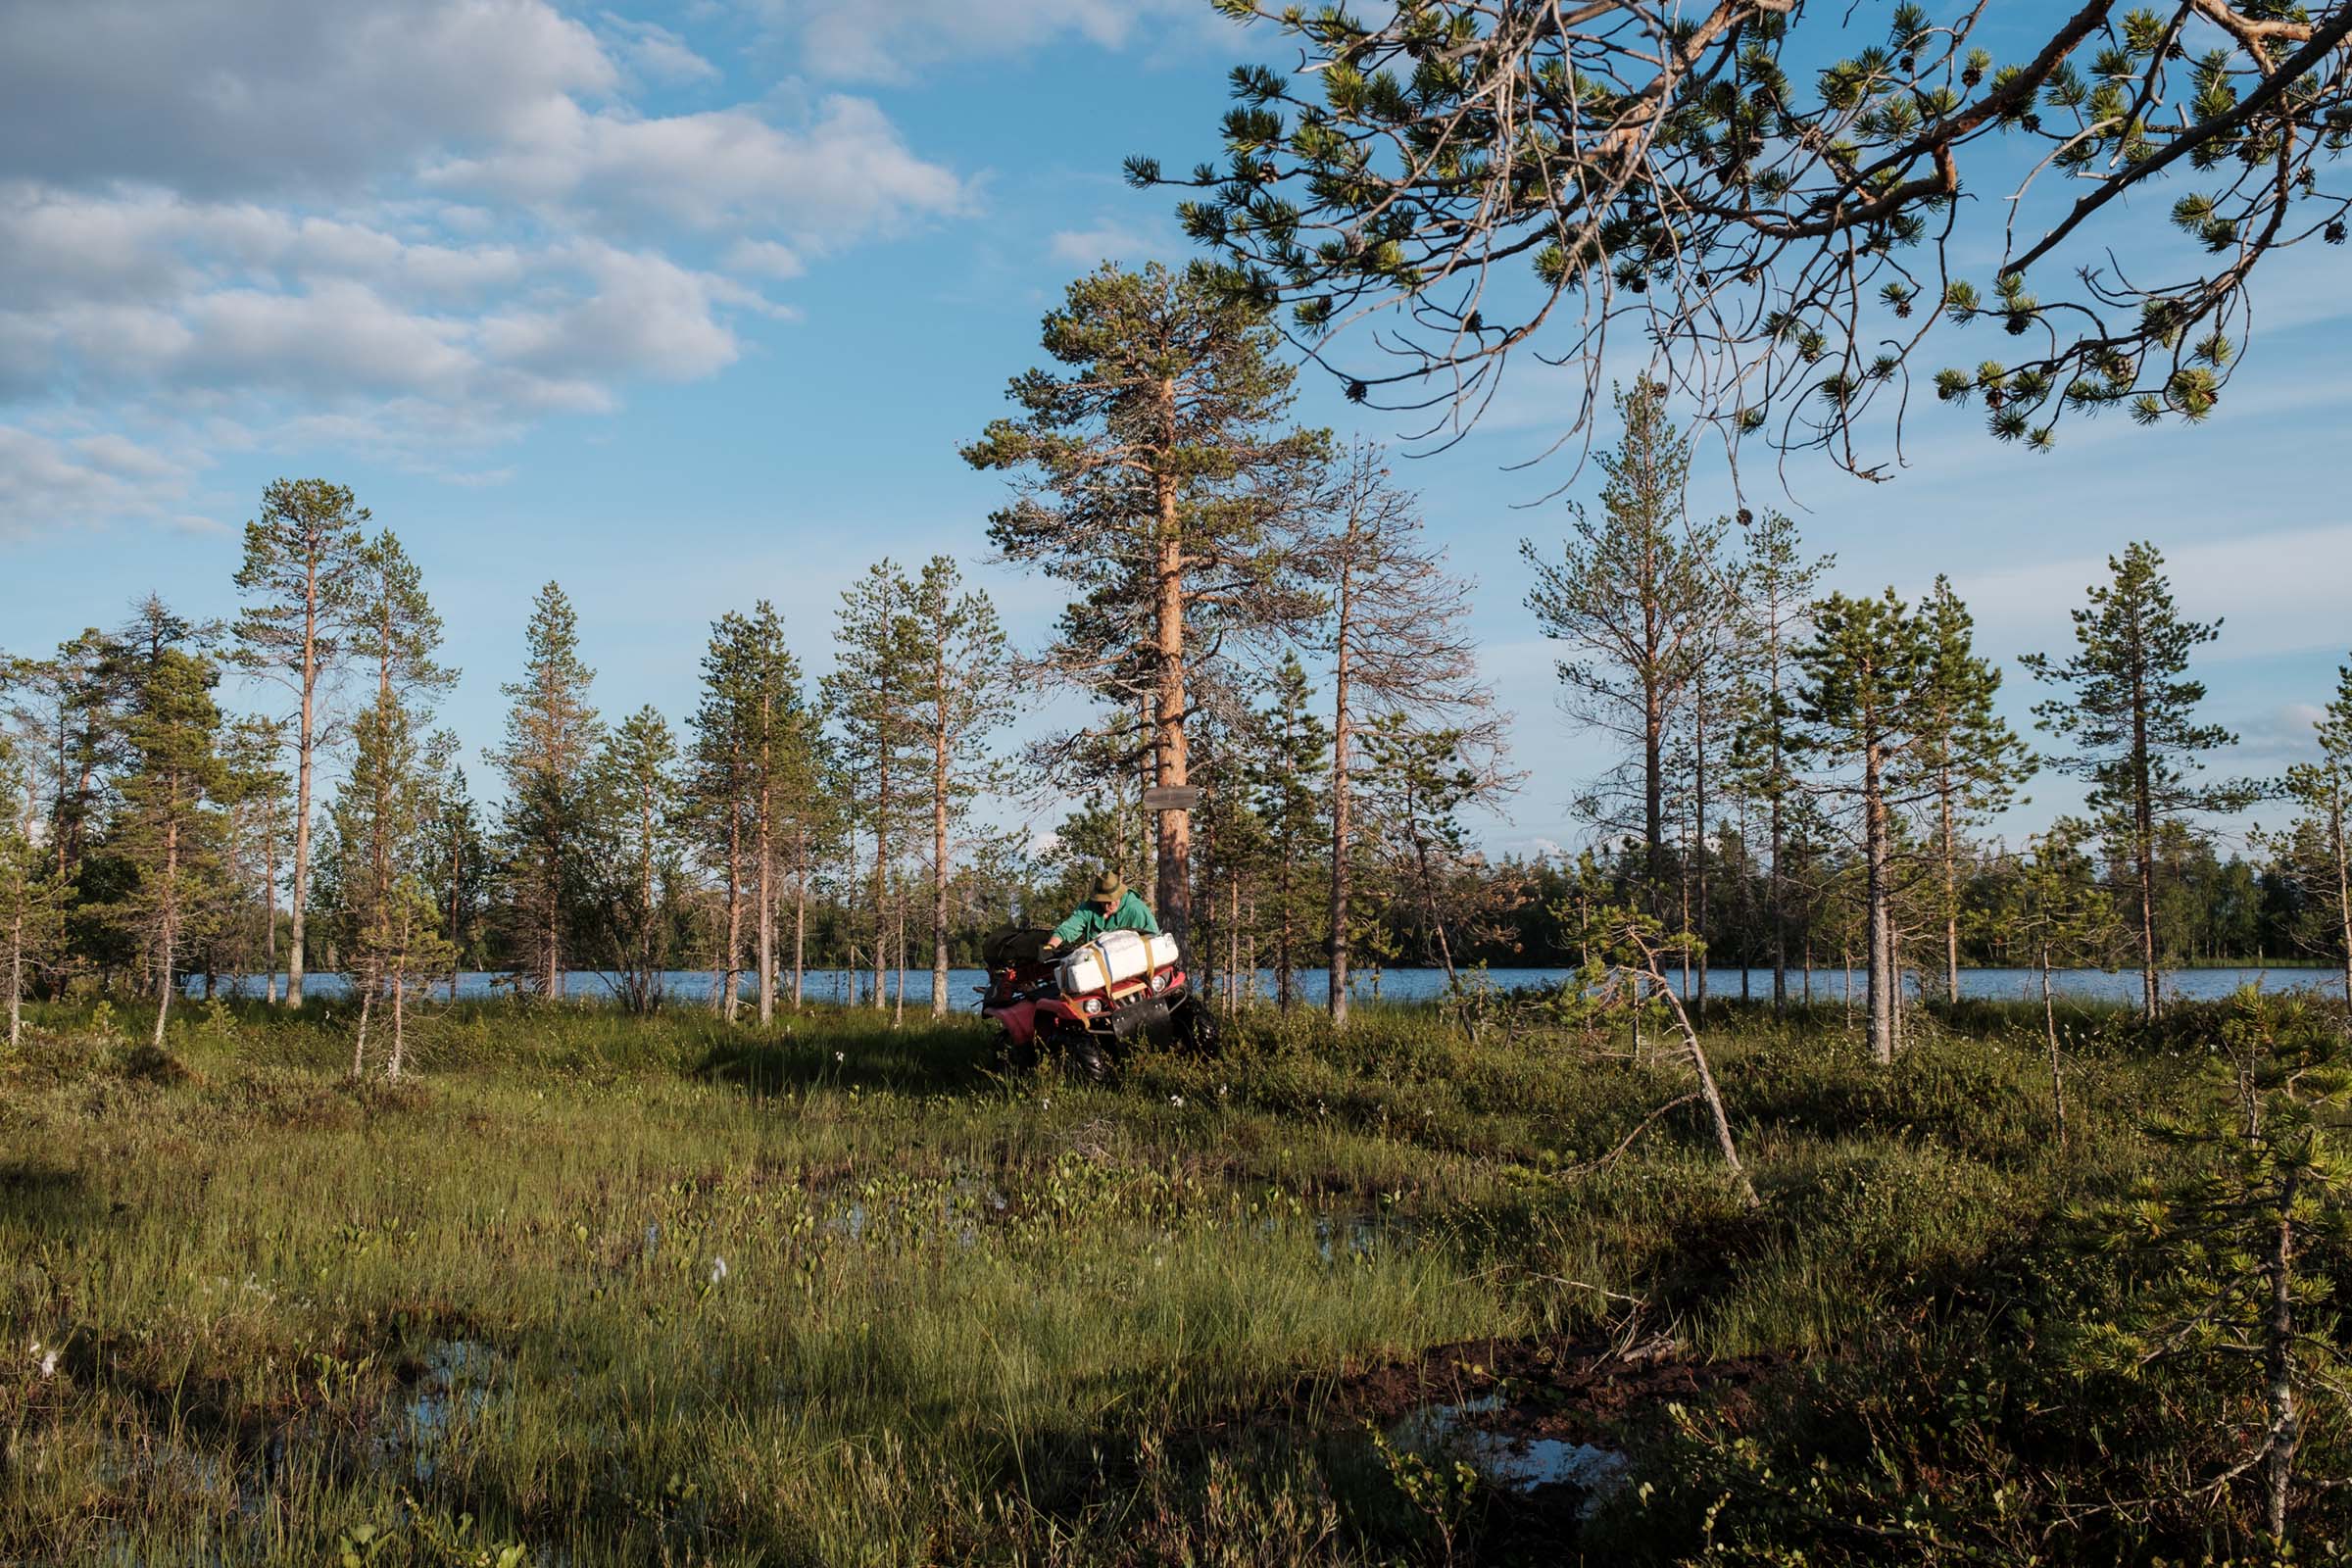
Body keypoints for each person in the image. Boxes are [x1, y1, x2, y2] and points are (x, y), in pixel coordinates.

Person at [1042, 870, 1158, 953]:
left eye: (1114, 899)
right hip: (1097, 966)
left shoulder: (1136, 910)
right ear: (1098, 899)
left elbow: (1155, 939)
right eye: (1106, 901)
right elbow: (1068, 928)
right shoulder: (1088, 908)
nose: (1111, 904)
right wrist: (1051, 946)